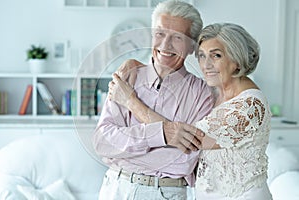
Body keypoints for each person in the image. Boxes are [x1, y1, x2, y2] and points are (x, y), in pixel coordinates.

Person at [108, 23, 273, 199]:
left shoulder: (250, 106)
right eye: (201, 56)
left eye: (216, 55)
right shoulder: (214, 92)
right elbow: (174, 79)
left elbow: (185, 138)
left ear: (237, 59)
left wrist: (130, 101)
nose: (206, 65)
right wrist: (135, 65)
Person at [92, 0, 215, 199]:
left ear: (192, 46)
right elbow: (103, 142)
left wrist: (127, 146)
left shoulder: (203, 94)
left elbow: (183, 161)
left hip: (165, 193)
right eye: (160, 34)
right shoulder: (127, 77)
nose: (165, 45)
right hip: (116, 188)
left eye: (177, 37)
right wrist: (163, 134)